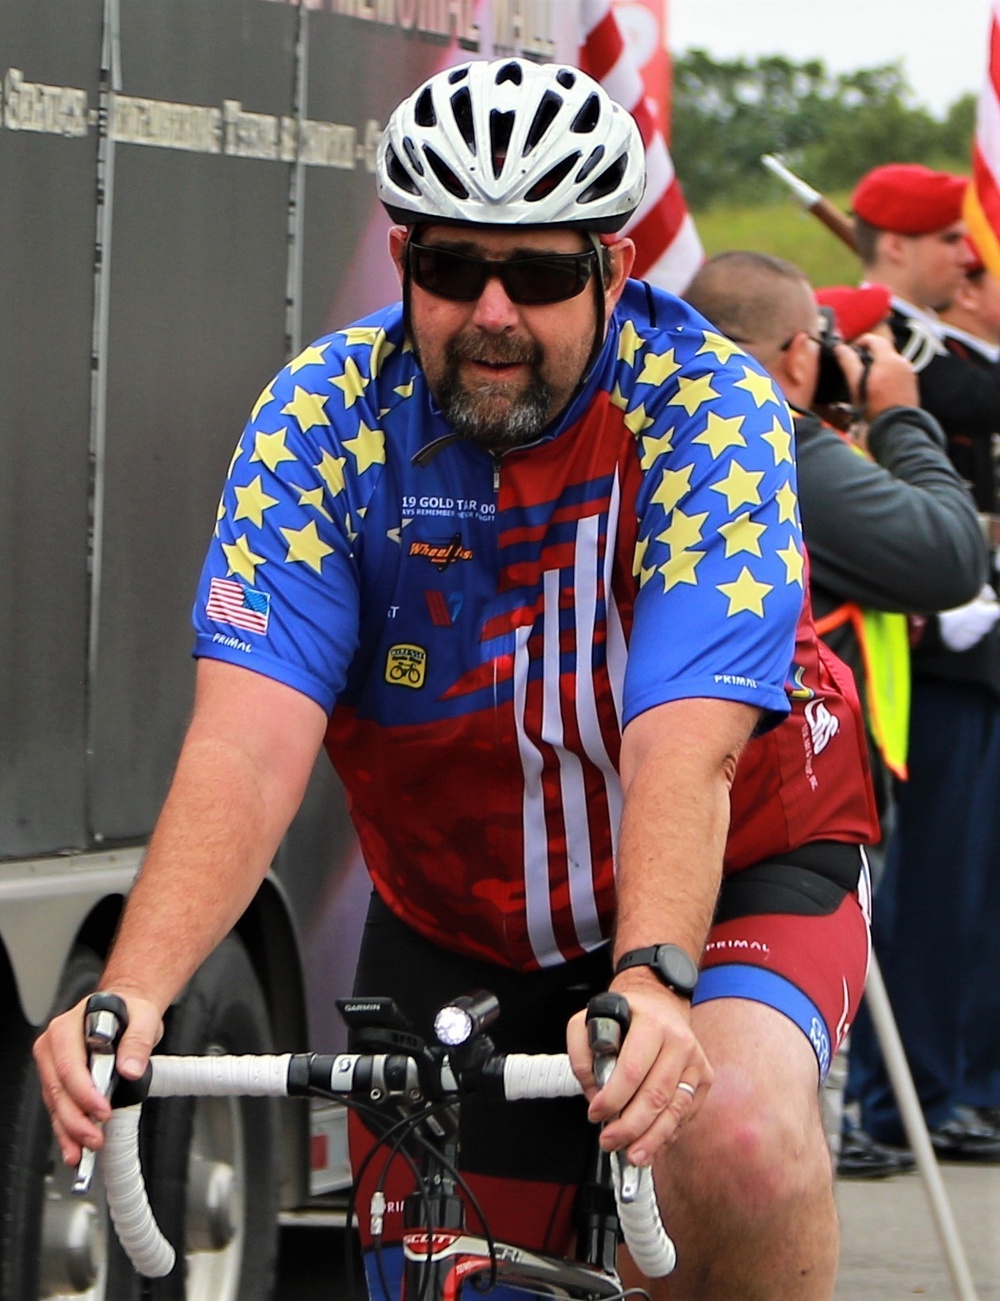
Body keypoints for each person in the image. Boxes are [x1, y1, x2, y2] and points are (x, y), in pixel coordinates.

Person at [33, 60, 879, 1299]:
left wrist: (649, 978)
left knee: (731, 1130)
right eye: (448, 269)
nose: (491, 311)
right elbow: (247, 744)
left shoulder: (708, 409)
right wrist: (132, 993)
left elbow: (680, 743)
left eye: (537, 274)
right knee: (447, 1272)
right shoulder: (324, 418)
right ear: (400, 258)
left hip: (737, 850)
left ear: (616, 265)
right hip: (462, 897)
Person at [683, 253, 988, 1178]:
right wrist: (899, 412)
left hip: (639, 799)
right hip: (769, 815)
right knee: (753, 1124)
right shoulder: (766, 436)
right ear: (799, 351)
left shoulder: (649, 417)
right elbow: (946, 554)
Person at [844, 164, 1000, 1159]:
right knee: (920, 892)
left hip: (974, 652)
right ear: (895, 246)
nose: (968, 251)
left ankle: (954, 1087)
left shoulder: (952, 351)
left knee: (973, 893)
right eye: (952, 236)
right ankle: (896, 1097)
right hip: (916, 655)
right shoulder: (880, 349)